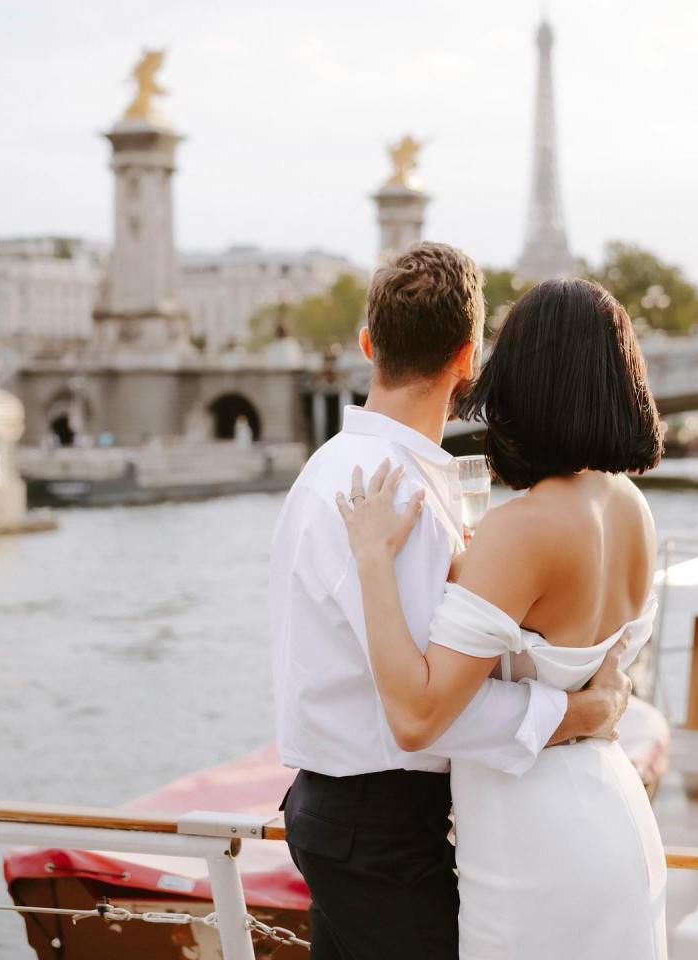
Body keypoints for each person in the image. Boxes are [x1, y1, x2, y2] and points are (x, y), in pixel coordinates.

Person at [268, 244, 635, 960]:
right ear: (469, 359)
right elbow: (429, 714)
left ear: (368, 344)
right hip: (382, 827)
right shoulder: (397, 493)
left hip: (336, 812)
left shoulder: (329, 471)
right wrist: (581, 712)